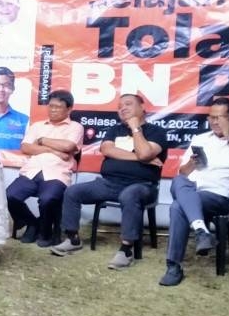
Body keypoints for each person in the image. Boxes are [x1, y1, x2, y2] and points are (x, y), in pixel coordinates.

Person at [51, 93, 170, 269]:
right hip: (109, 183)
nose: (123, 108)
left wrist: (136, 128)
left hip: (142, 186)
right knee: (73, 191)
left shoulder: (156, 132)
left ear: (142, 108)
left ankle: (126, 249)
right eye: (120, 106)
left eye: (128, 104)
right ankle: (73, 238)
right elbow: (107, 150)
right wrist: (140, 158)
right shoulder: (115, 130)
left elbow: (145, 152)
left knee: (130, 195)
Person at [159, 97, 229, 286]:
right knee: (179, 181)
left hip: (219, 197)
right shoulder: (200, 139)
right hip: (192, 190)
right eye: (211, 117)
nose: (215, 122)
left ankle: (174, 265)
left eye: (220, 117)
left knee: (176, 207)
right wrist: (192, 163)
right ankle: (201, 231)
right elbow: (183, 172)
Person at [6, 90, 84, 247]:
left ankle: (46, 231)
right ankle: (32, 223)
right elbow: (26, 147)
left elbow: (68, 146)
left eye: (58, 107)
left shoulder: (76, 127)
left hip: (57, 174)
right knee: (11, 195)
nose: (53, 110)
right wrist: (54, 150)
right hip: (32, 171)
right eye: (51, 106)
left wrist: (42, 140)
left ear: (69, 109)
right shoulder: (37, 126)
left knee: (48, 199)